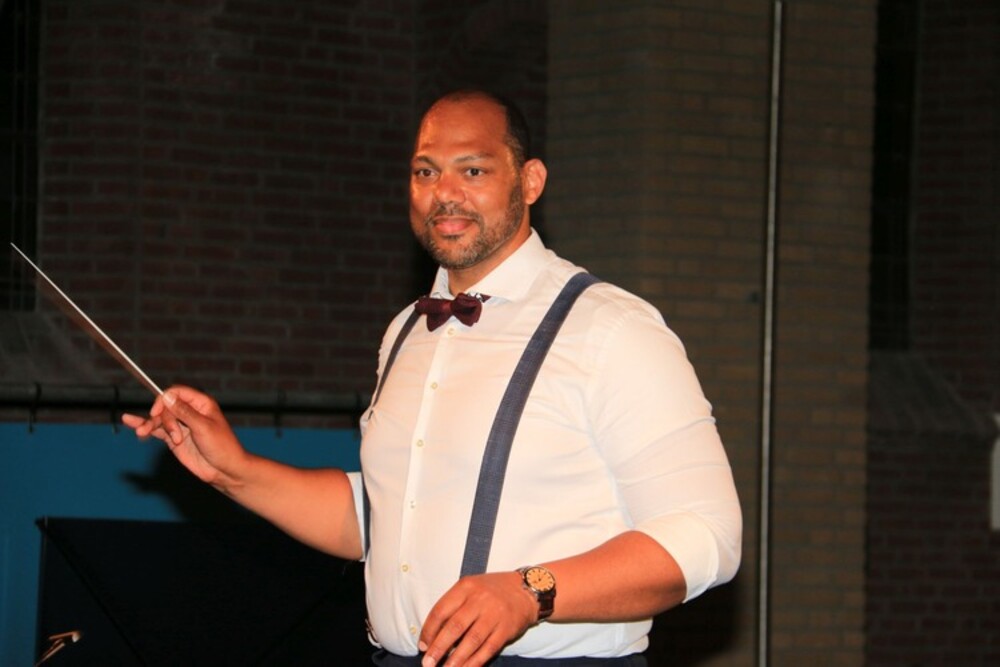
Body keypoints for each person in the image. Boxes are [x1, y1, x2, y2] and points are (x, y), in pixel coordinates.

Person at [124, 90, 742, 667]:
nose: (444, 192)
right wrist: (233, 471)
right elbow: (383, 518)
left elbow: (707, 536)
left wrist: (531, 591)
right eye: (426, 172)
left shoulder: (612, 328)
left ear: (530, 181)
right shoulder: (405, 332)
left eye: (472, 170)